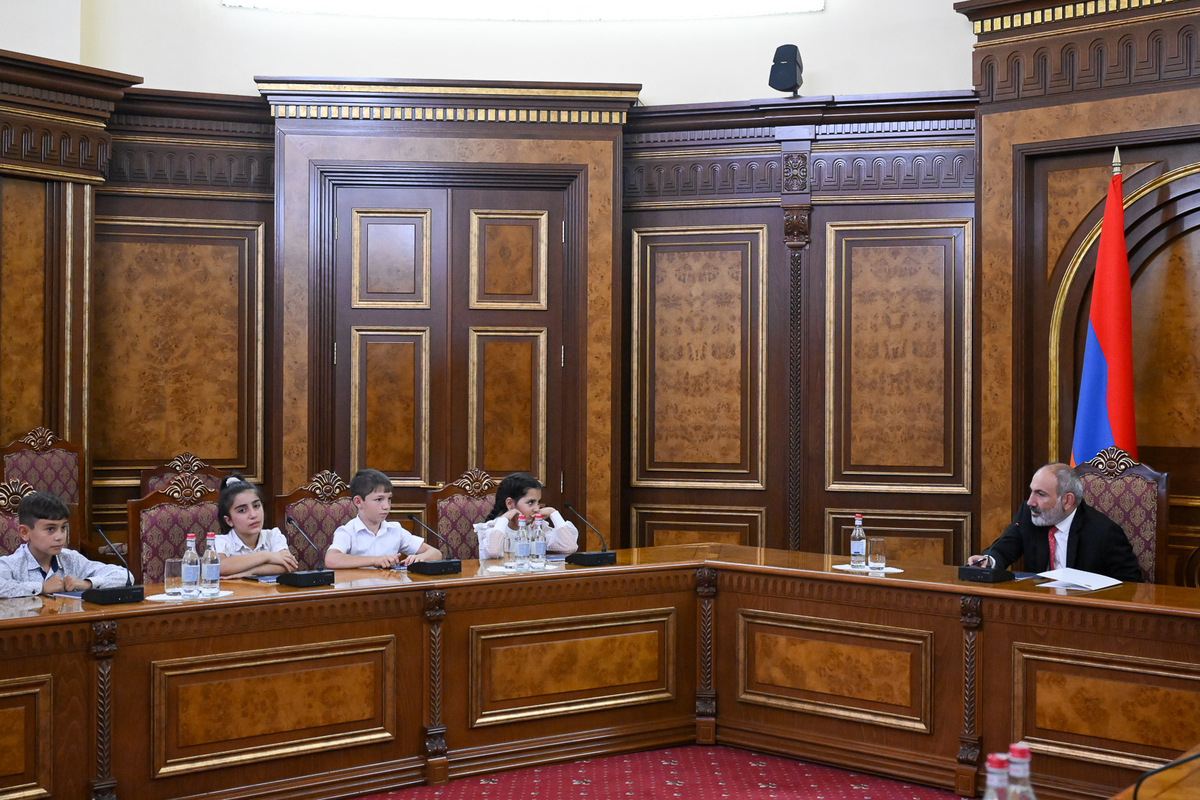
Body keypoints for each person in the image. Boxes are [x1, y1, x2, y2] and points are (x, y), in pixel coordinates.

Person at [967, 462, 1142, 582]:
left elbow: (1130, 583)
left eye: (1040, 494)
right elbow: (1005, 547)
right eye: (1031, 491)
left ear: (1067, 500)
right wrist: (989, 560)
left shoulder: (1104, 532)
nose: (1030, 502)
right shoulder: (1029, 515)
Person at [0, 491, 132, 598]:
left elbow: (126, 577)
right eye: (50, 529)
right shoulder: (9, 564)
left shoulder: (72, 559)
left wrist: (87, 584)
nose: (60, 537)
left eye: (63, 528)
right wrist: (42, 587)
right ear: (25, 532)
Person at [325, 468, 442, 569]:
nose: (386, 506)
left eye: (389, 499)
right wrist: (375, 560)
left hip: (389, 587)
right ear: (358, 502)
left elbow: (436, 553)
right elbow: (331, 559)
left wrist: (420, 558)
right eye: (379, 499)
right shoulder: (347, 532)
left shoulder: (395, 530)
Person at [475, 472, 578, 559]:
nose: (537, 509)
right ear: (510, 504)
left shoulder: (535, 528)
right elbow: (493, 552)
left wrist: (553, 513)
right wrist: (505, 518)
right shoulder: (494, 529)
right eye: (530, 502)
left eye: (538, 502)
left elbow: (570, 547)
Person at [211, 475, 300, 576]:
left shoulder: (273, 536)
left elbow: (290, 566)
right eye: (242, 510)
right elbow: (220, 567)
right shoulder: (221, 542)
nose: (253, 515)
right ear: (229, 520)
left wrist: (250, 572)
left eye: (256, 506)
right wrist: (267, 556)